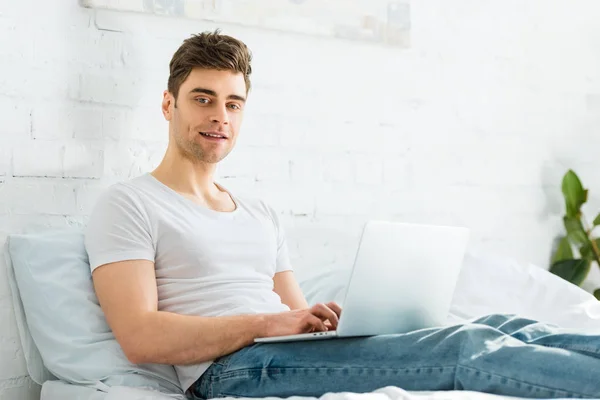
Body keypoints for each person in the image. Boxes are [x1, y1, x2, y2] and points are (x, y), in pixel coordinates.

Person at [84, 30, 600, 400]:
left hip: (279, 353)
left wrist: (326, 324)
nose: (220, 115)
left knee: (501, 324)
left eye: (234, 104)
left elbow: (296, 315)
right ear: (168, 105)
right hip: (228, 372)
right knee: (465, 348)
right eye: (203, 99)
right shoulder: (129, 204)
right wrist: (270, 322)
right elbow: (141, 337)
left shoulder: (260, 212)